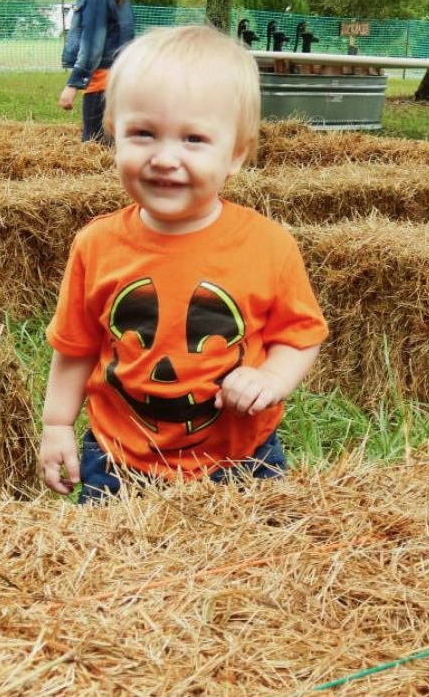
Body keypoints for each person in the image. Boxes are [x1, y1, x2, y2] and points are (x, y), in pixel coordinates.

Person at [39, 25, 328, 502]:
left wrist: (271, 378)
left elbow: (301, 336)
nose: (165, 158)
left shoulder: (267, 245)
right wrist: (56, 423)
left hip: (240, 461)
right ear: (114, 136)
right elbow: (75, 346)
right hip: (118, 461)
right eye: (143, 134)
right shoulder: (96, 244)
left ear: (235, 154)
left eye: (194, 139)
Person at [59, 0, 135, 142]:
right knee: (114, 139)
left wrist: (73, 85)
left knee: (93, 141)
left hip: (100, 79)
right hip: (119, 75)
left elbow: (92, 44)